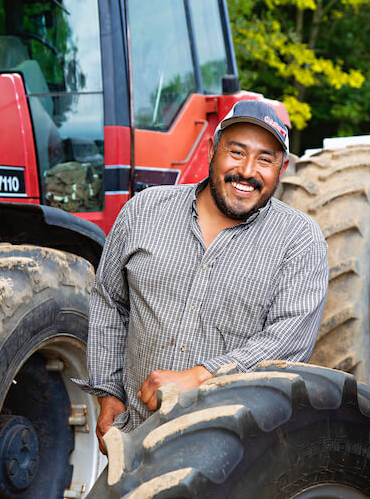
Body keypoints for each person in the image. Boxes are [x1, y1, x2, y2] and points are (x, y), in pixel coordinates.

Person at [82, 100, 328, 452]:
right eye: (237, 151)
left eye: (265, 159)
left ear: (282, 167)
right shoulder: (144, 210)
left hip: (234, 452)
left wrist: (200, 376)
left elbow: (288, 341)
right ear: (212, 150)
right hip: (135, 441)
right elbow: (110, 302)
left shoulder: (299, 240)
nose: (247, 170)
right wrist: (109, 394)